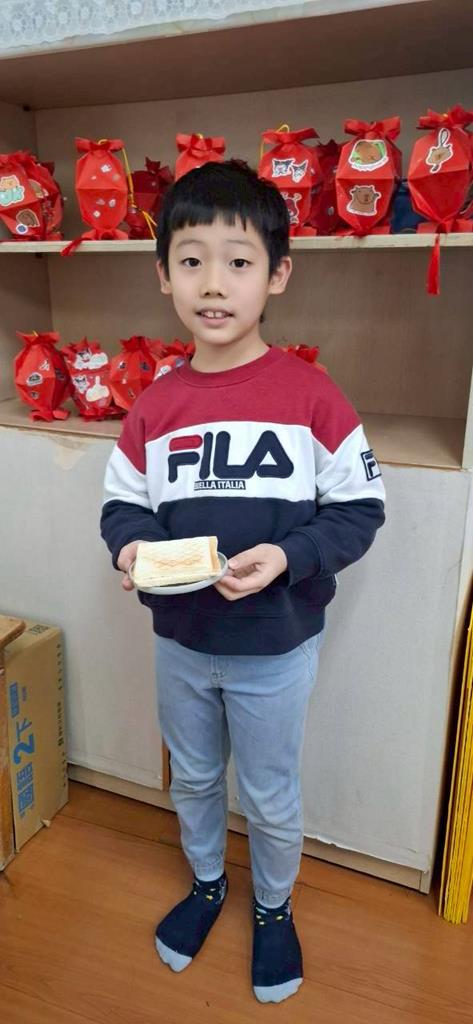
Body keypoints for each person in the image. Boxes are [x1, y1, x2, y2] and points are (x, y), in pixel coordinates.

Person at [100, 159, 386, 1004]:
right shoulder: (153, 405)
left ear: (277, 274)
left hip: (275, 646)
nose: (213, 284)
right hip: (181, 643)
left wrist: (289, 557)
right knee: (191, 777)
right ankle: (204, 885)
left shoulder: (312, 397)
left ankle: (271, 906)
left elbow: (359, 509)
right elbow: (122, 507)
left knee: (267, 792)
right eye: (190, 261)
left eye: (237, 261)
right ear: (163, 275)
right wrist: (131, 550)